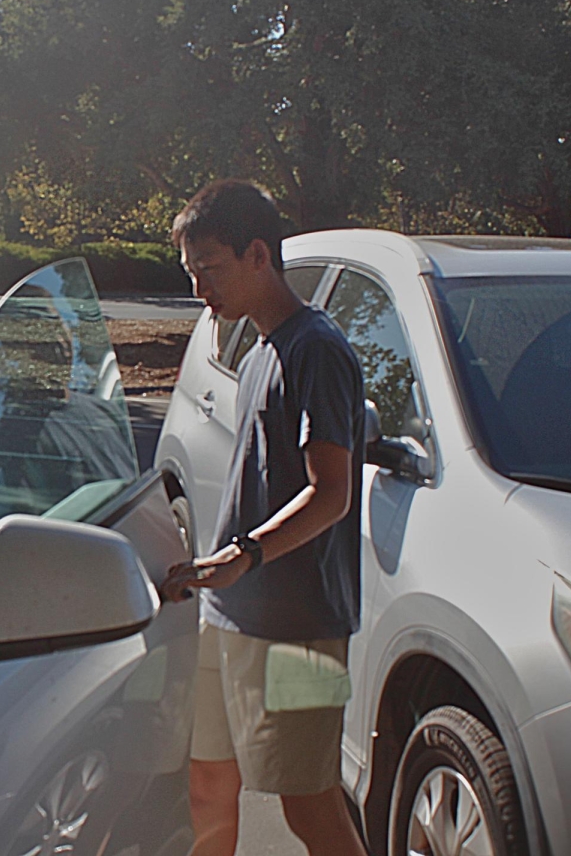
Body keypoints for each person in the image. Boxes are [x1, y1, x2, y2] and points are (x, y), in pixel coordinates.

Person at [160, 180, 368, 856]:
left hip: (301, 631)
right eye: (192, 275)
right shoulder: (257, 350)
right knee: (208, 786)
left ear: (258, 255)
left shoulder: (318, 350)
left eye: (209, 271)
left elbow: (330, 492)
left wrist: (243, 552)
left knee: (311, 809)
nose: (200, 292)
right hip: (231, 616)